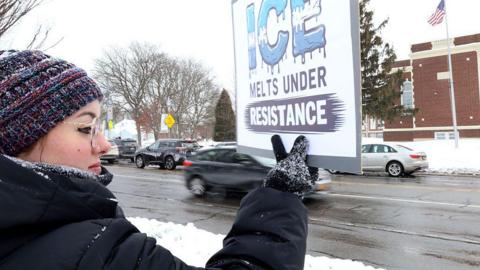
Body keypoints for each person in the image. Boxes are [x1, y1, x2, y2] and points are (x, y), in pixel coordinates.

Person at [0, 50, 318, 270]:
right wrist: (282, 196)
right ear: (20, 137)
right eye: (85, 128)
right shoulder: (97, 252)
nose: (104, 143)